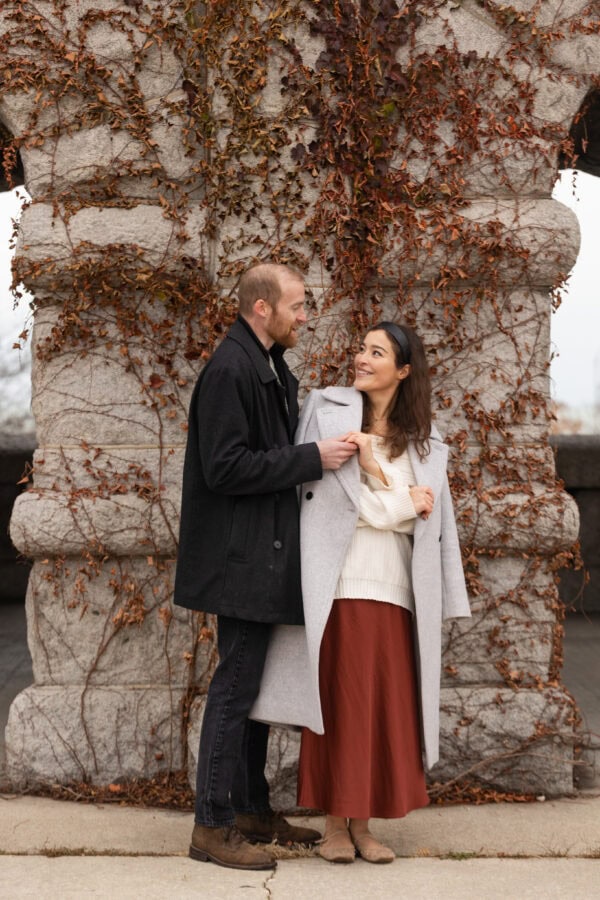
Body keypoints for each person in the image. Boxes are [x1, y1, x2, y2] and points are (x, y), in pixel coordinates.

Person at [251, 321, 472, 864]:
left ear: (402, 370)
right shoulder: (327, 414)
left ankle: (364, 826)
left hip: (397, 588)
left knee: (381, 709)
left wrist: (382, 483)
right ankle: (333, 827)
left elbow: (430, 519)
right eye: (361, 348)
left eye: (377, 352)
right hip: (340, 582)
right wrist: (396, 497)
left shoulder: (426, 439)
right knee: (338, 706)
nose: (362, 358)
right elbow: (329, 502)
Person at [173, 262, 357, 871]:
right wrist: (312, 458)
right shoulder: (230, 369)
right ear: (262, 308)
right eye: (298, 306)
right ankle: (212, 827)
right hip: (241, 560)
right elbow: (224, 468)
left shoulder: (266, 364)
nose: (305, 316)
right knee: (235, 688)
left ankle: (251, 810)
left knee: (249, 689)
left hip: (258, 557)